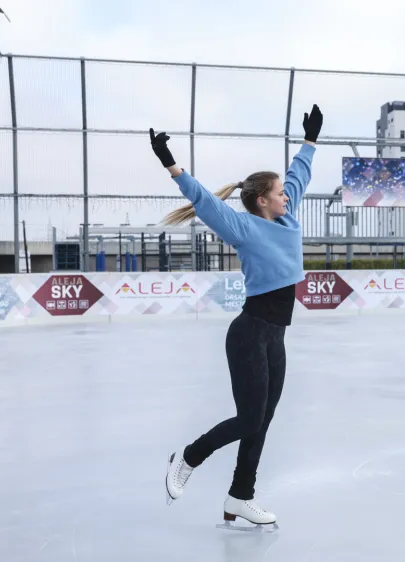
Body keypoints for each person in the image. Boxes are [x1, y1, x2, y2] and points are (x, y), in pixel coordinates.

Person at [150, 104, 323, 527]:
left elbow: (299, 175)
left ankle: (239, 497)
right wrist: (172, 165)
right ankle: (188, 457)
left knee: (261, 421)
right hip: (249, 334)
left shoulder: (288, 217)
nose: (287, 195)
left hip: (275, 337)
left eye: (285, 192)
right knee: (249, 418)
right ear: (262, 201)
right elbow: (206, 203)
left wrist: (310, 140)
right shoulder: (245, 227)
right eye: (279, 193)